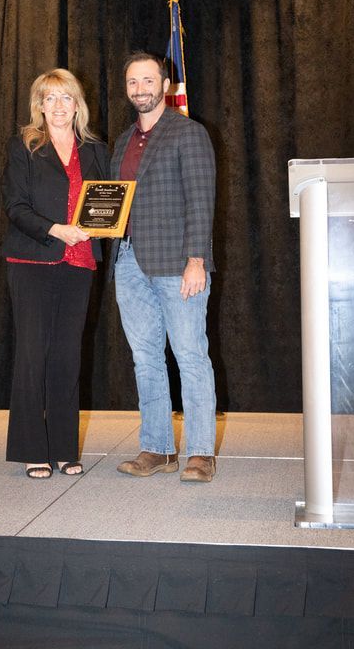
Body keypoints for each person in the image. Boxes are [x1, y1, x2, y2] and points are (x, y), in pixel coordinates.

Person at [110, 52, 217, 482]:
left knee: (190, 356)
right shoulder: (121, 142)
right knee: (146, 358)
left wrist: (197, 261)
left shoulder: (188, 133)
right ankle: (157, 448)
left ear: (166, 85)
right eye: (133, 82)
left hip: (178, 264)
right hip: (129, 262)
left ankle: (201, 453)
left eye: (148, 80)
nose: (141, 89)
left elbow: (201, 200)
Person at [3, 69, 109, 479]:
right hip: (32, 261)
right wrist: (55, 230)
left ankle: (64, 448)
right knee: (33, 354)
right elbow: (15, 207)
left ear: (77, 104)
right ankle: (33, 448)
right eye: (51, 99)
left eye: (67, 98)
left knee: (68, 356)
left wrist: (105, 223)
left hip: (79, 262)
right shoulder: (24, 147)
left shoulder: (95, 149)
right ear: (40, 106)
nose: (59, 106)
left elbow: (107, 200)